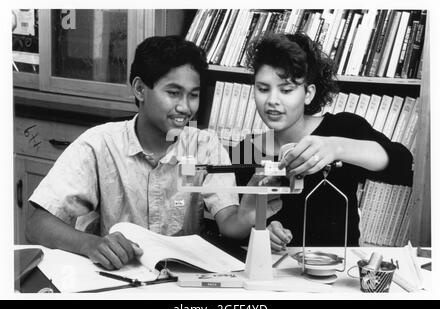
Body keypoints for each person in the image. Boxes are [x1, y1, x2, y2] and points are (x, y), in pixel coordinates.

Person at [26, 36, 266, 270]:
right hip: (116, 279)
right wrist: (91, 244)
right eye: (173, 93)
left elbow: (230, 225)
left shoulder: (206, 146)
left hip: (176, 282)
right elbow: (37, 226)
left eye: (193, 95)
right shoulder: (98, 144)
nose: (185, 107)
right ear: (140, 89)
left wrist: (248, 212)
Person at [230, 32, 413, 250]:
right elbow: (234, 226)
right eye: (262, 89)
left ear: (308, 94)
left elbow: (402, 165)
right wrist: (259, 233)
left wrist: (336, 147)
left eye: (286, 90)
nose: (272, 101)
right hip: (276, 274)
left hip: (338, 275)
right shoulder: (245, 150)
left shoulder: (343, 128)